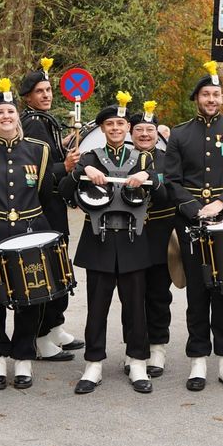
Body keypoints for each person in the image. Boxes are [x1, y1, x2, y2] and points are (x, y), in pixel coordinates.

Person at [162, 61, 223, 392]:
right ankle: (198, 362)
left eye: (217, 94)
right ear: (197, 98)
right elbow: (171, 180)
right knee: (197, 294)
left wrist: (222, 203)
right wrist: (194, 208)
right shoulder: (179, 133)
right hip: (191, 223)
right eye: (206, 94)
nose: (212, 99)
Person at [60, 92, 157, 394]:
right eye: (110, 124)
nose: (115, 128)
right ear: (102, 129)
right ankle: (93, 364)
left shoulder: (144, 157)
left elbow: (165, 188)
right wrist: (80, 172)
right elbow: (63, 191)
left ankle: (137, 360)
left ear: (128, 128)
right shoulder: (89, 157)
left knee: (135, 307)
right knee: (97, 306)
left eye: (120, 124)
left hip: (133, 240)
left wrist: (149, 175)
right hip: (99, 241)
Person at [0, 78, 54, 391]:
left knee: (30, 301)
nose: (6, 117)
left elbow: (45, 195)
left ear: (18, 116)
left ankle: (24, 359)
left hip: (29, 236)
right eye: (0, 112)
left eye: (11, 111)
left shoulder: (39, 151)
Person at [18, 57, 83, 361]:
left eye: (48, 89)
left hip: (54, 205)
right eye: (39, 91)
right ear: (27, 97)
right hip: (44, 206)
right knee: (48, 268)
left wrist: (64, 146)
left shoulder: (44, 120)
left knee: (58, 266)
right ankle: (41, 335)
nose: (46, 95)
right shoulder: (31, 122)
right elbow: (33, 166)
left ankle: (55, 325)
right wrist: (64, 165)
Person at [128, 100, 174, 377]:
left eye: (150, 129)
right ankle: (134, 348)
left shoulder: (170, 158)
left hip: (159, 235)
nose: (145, 134)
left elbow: (171, 183)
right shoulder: (120, 157)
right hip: (130, 236)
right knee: (132, 297)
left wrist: (151, 175)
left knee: (158, 294)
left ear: (158, 132)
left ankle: (157, 346)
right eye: (139, 129)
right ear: (131, 132)